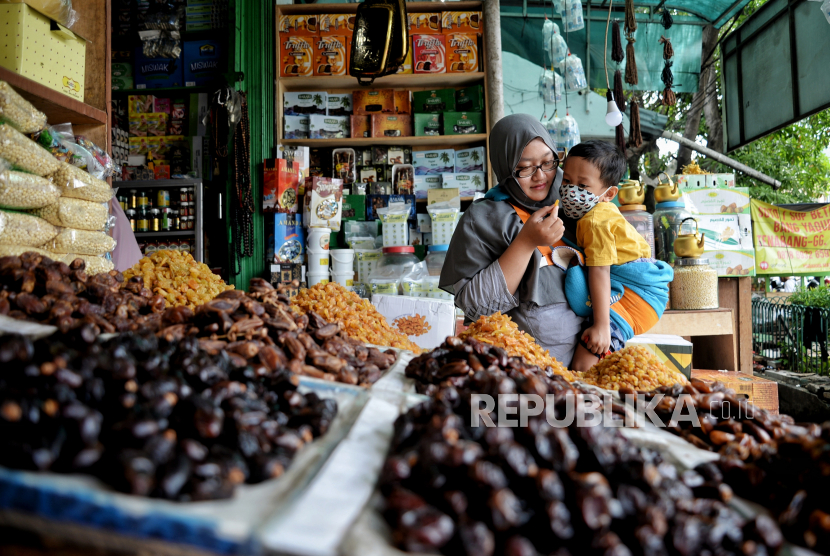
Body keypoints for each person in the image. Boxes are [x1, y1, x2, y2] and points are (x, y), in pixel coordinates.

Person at [439, 114, 584, 366]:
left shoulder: (575, 201)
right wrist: (526, 242)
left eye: (548, 162)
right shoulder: (482, 219)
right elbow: (477, 307)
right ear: (505, 168)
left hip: (587, 364)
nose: (540, 176)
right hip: (518, 375)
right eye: (526, 168)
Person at [557, 141, 673, 374]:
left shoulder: (595, 220)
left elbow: (600, 271)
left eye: (583, 185)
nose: (572, 190)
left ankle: (600, 405)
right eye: (567, 181)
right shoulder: (593, 212)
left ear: (608, 193)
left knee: (583, 365)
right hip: (637, 293)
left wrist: (601, 325)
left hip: (638, 298)